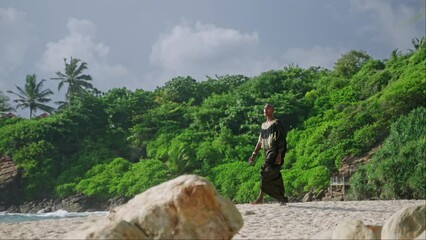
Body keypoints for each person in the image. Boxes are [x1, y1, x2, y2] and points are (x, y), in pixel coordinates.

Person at [248, 103, 288, 205]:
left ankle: (261, 198)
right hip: (267, 151)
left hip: (274, 151)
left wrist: (279, 154)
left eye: (268, 108)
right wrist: (254, 154)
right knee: (274, 175)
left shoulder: (276, 124)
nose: (265, 110)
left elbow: (281, 140)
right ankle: (279, 198)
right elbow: (260, 141)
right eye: (265, 108)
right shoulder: (263, 125)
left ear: (272, 110)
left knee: (264, 170)